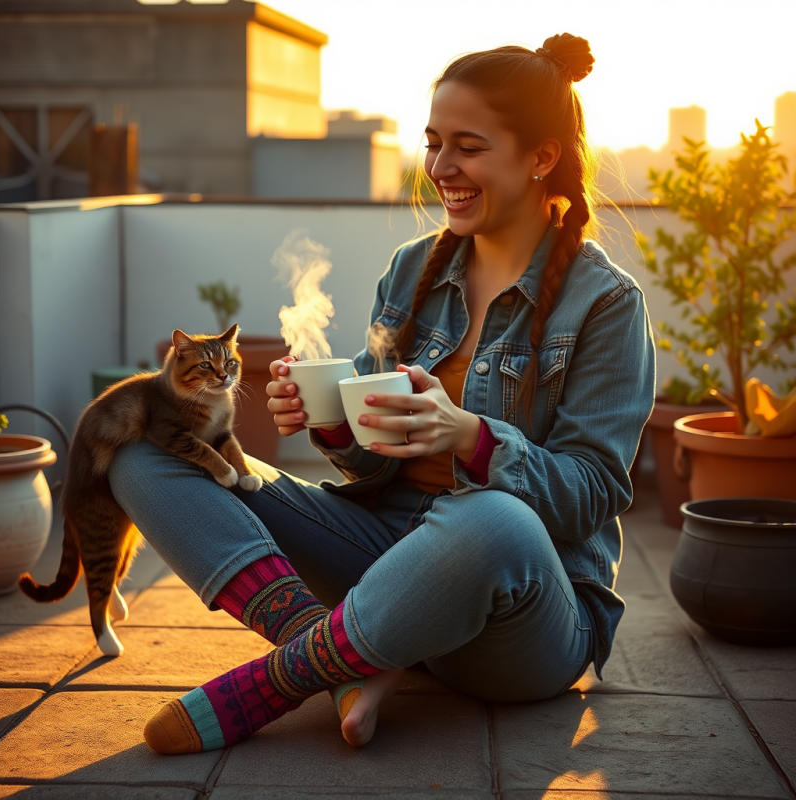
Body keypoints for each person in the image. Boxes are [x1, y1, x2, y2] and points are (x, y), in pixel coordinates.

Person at [109, 33, 655, 755]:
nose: (440, 168)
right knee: (141, 450)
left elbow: (593, 493)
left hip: (523, 616)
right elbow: (370, 464)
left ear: (541, 157)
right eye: (433, 143)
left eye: (468, 146)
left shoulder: (606, 303)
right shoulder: (412, 269)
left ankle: (288, 675)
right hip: (382, 557)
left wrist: (471, 439)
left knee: (492, 520)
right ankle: (340, 649)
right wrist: (336, 425)